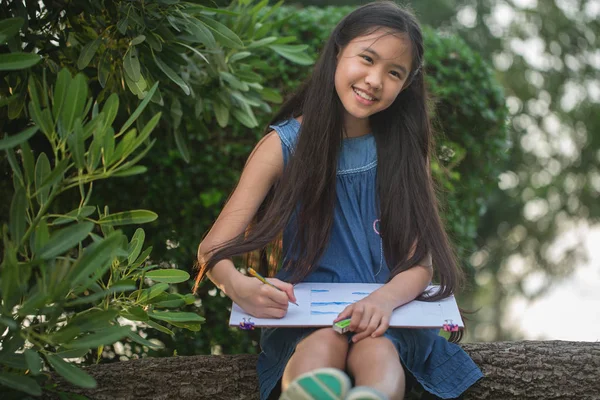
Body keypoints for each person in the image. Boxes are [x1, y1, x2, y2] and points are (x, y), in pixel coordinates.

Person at [194, 2, 483, 399]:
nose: (375, 80)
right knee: (321, 345)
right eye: (367, 59)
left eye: (394, 73)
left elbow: (420, 266)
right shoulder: (282, 147)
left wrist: (383, 299)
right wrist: (238, 286)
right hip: (306, 320)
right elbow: (212, 249)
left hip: (387, 317)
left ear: (406, 85)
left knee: (378, 352)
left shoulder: (402, 151)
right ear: (337, 52)